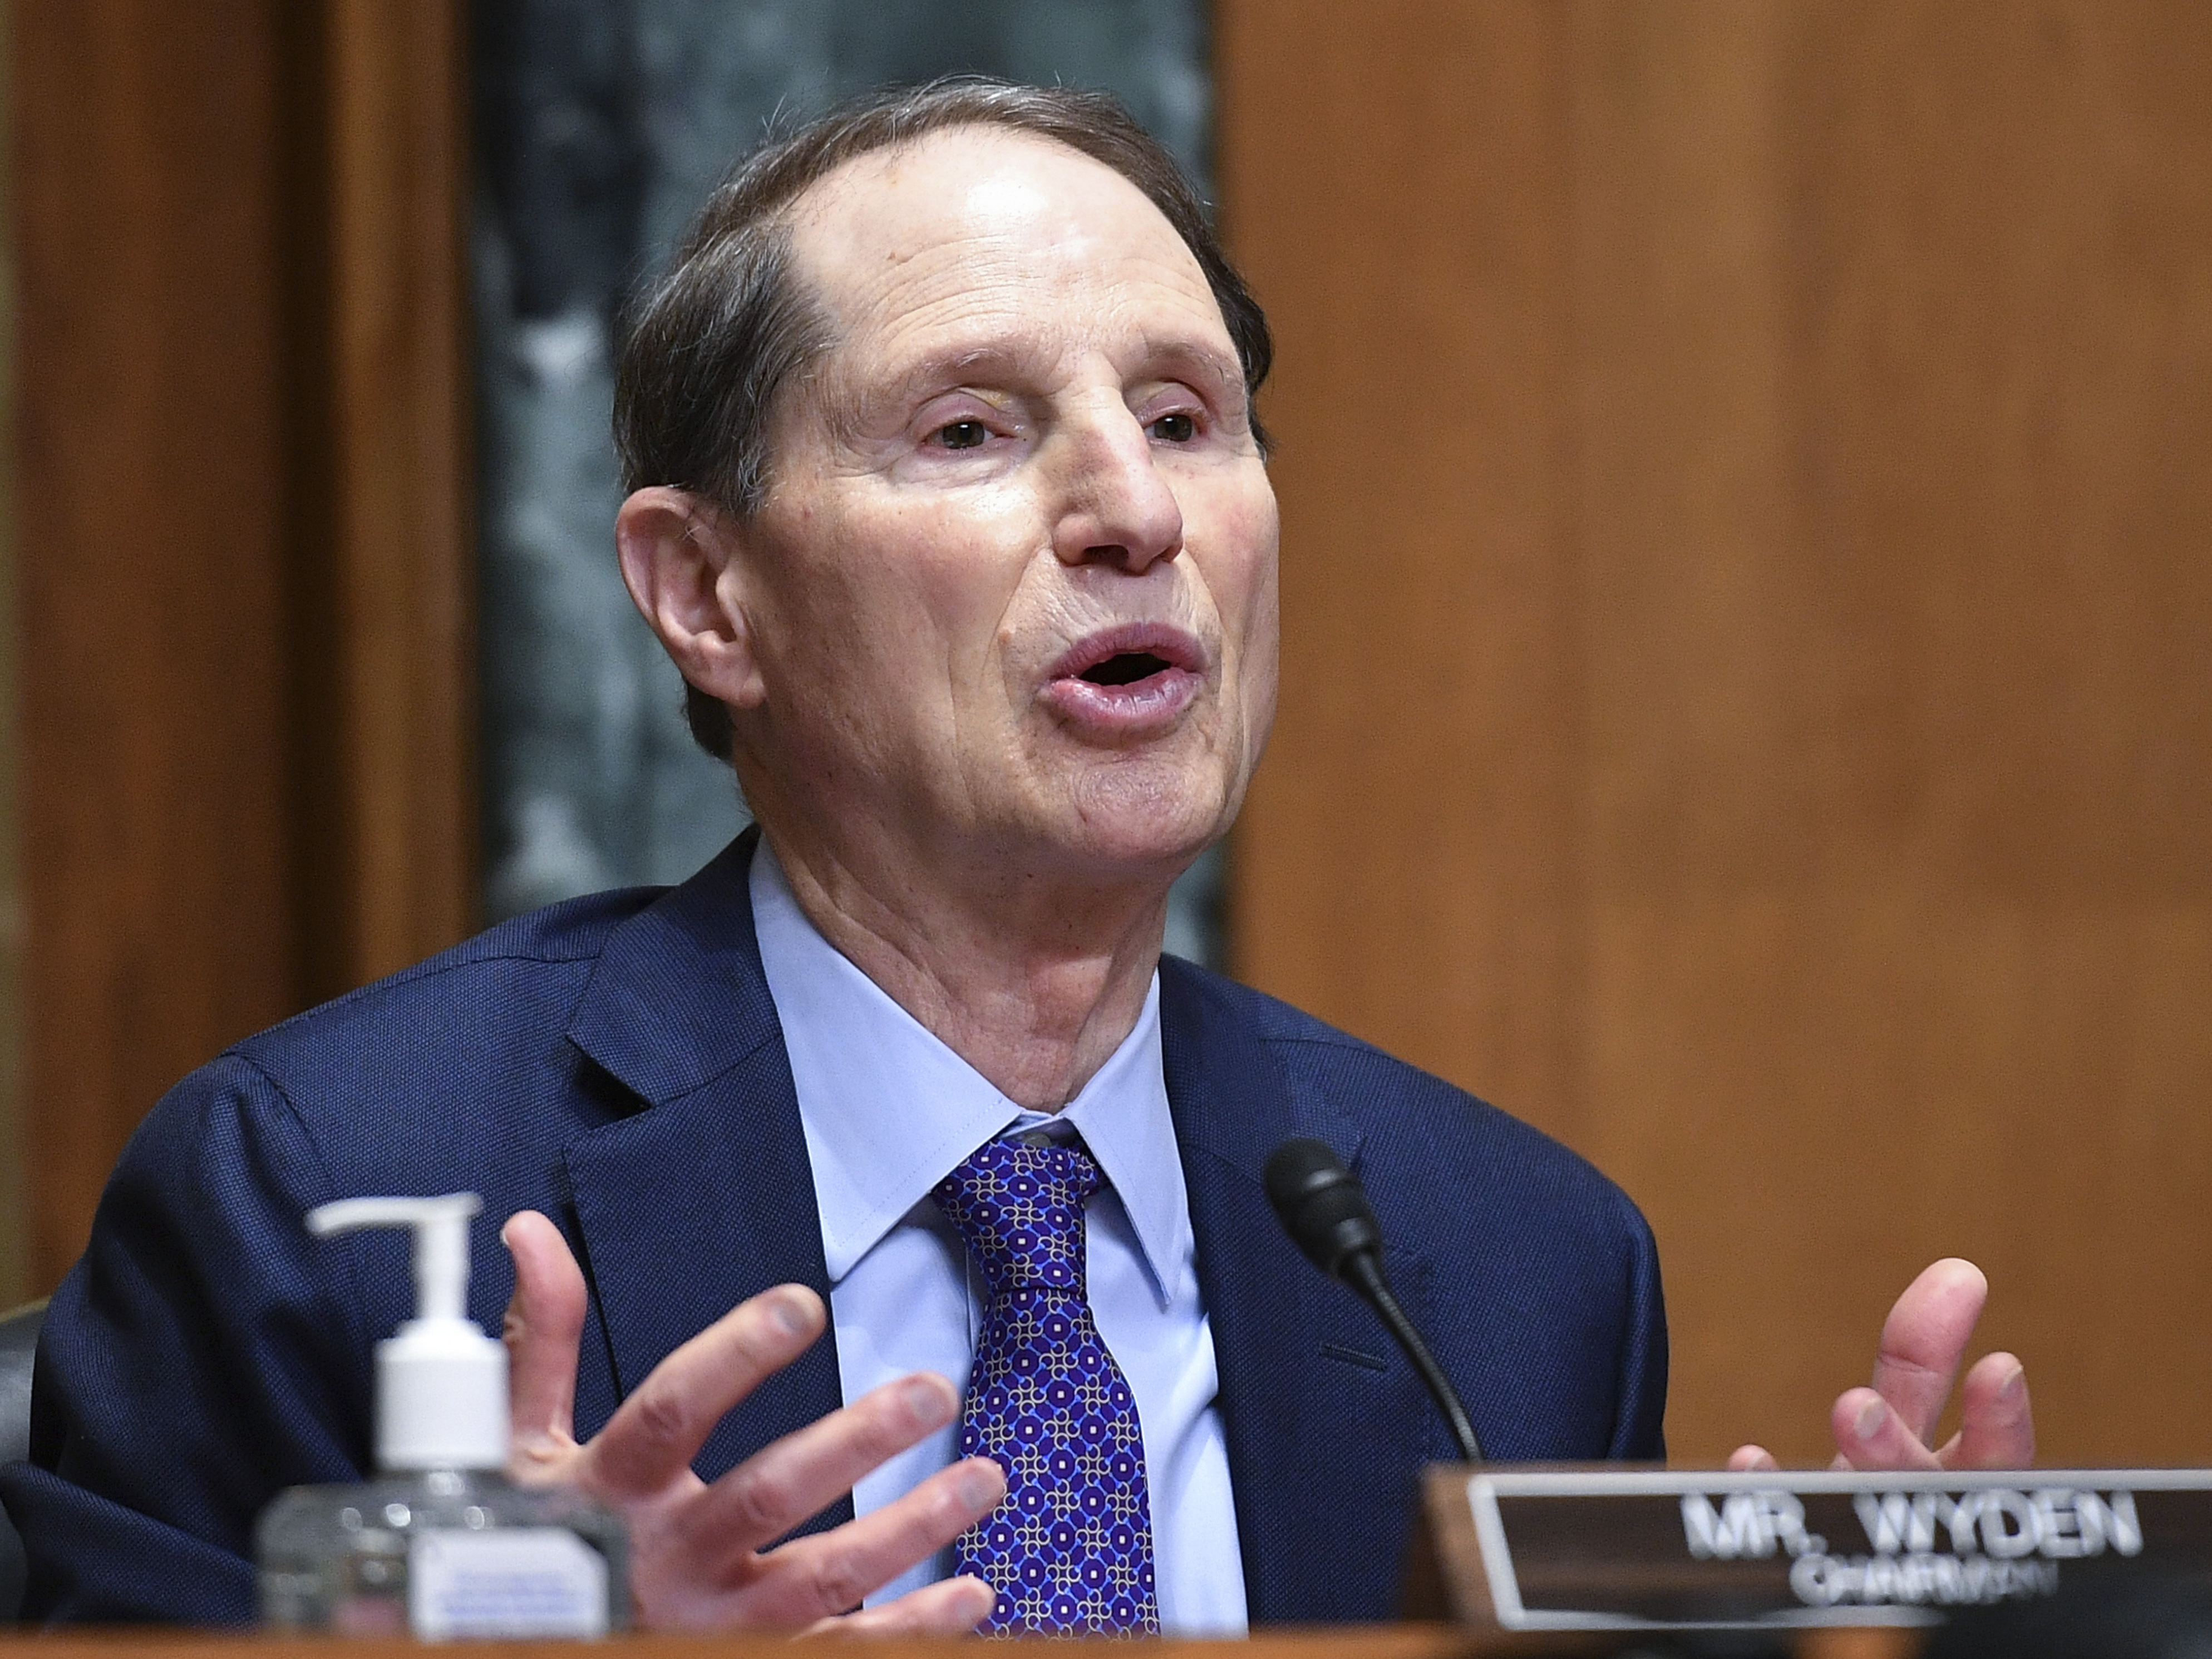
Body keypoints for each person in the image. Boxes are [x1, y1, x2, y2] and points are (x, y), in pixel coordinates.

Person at [0, 80, 2033, 1633]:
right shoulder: (327, 1199)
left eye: (1186, 414)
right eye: (972, 430)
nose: (1130, 510)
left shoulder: (1509, 1270)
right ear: (705, 593)